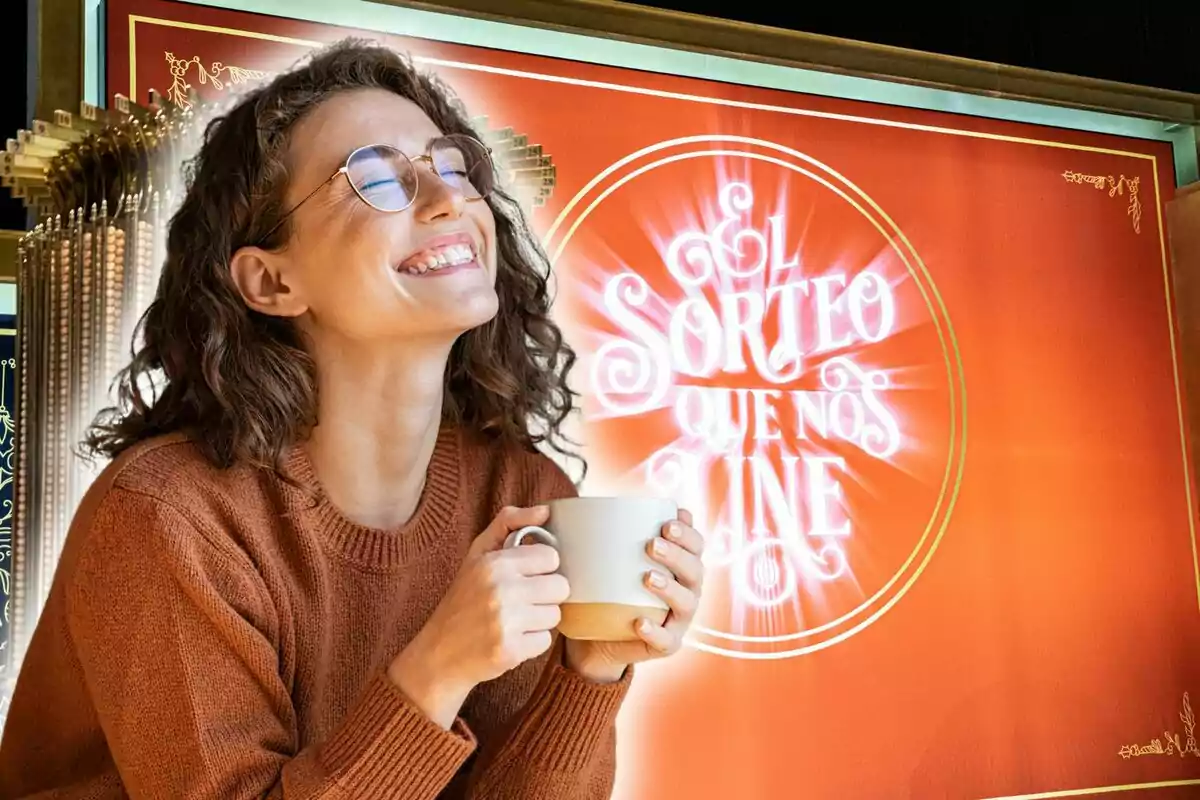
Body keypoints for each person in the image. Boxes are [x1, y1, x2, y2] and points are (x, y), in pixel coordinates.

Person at [0, 40, 704, 799]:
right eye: (375, 178)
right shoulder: (170, 518)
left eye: (452, 164)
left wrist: (588, 671)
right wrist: (437, 668)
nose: (448, 200)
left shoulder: (519, 488)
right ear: (271, 281)